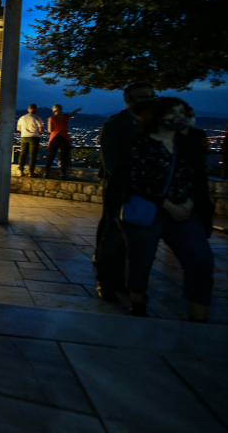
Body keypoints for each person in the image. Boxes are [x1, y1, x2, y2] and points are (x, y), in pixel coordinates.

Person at [120, 97, 214, 321]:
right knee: (141, 259)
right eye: (172, 112)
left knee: (201, 261)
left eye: (182, 112)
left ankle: (199, 318)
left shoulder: (189, 145)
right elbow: (135, 180)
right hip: (149, 210)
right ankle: (138, 302)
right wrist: (167, 204)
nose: (178, 117)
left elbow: (197, 179)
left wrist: (189, 203)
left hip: (184, 210)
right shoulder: (141, 144)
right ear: (157, 115)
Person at [95, 82, 155, 303]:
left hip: (147, 192)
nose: (147, 99)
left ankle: (124, 279)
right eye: (142, 96)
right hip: (121, 190)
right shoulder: (115, 124)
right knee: (114, 237)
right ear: (128, 100)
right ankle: (106, 281)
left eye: (150, 95)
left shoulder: (154, 124)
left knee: (135, 242)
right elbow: (112, 162)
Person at [45, 104, 82, 179]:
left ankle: (46, 173)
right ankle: (63, 174)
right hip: (64, 138)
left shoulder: (52, 118)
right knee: (63, 158)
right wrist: (76, 110)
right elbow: (71, 114)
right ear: (61, 109)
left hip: (54, 138)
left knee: (51, 157)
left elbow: (50, 130)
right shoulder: (65, 117)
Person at [16, 103, 45, 177]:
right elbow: (41, 130)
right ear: (35, 110)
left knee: (23, 154)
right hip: (34, 137)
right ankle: (30, 172)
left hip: (24, 137)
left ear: (28, 110)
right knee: (33, 155)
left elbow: (18, 128)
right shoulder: (38, 118)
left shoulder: (22, 118)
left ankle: (21, 171)